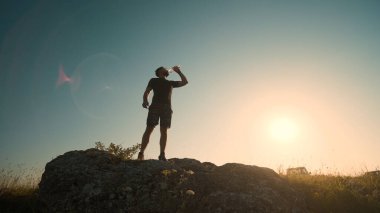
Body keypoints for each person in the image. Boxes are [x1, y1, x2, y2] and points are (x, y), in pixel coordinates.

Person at [138, 66, 188, 161]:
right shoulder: (153, 80)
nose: (167, 69)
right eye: (164, 69)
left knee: (164, 131)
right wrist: (145, 100)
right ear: (159, 72)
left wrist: (179, 72)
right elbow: (147, 91)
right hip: (155, 106)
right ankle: (141, 153)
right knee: (149, 129)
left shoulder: (170, 83)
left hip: (167, 108)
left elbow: (185, 82)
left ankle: (162, 155)